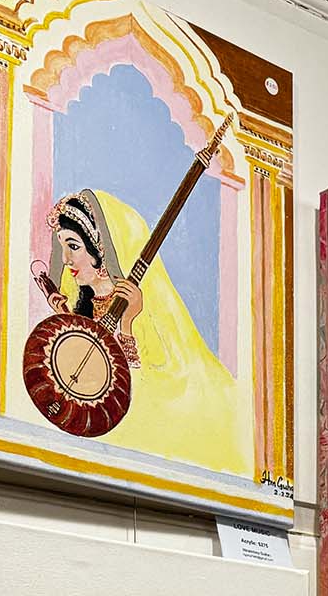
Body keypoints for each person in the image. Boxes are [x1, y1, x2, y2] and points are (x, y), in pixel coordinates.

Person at [30, 188, 245, 470]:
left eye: (73, 246)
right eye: (62, 247)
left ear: (99, 247)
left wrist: (128, 323)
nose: (66, 259)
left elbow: (147, 386)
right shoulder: (80, 301)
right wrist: (66, 320)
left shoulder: (136, 305)